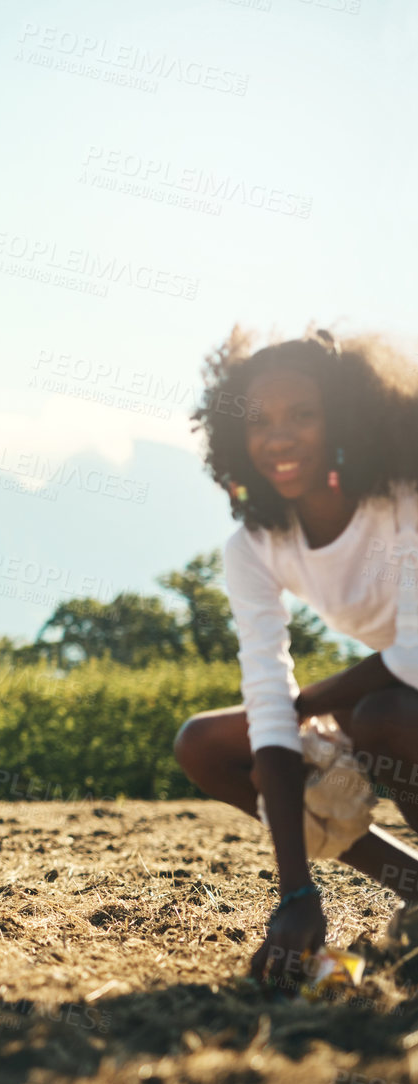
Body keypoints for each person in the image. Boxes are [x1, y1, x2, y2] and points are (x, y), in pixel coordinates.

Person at [173, 328, 418, 984]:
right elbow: (265, 694)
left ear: (343, 418)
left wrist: (302, 703)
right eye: (258, 422)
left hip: (402, 698)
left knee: (381, 714)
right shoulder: (253, 544)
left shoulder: (402, 496)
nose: (277, 437)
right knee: (204, 742)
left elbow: (411, 661)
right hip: (393, 697)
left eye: (301, 415)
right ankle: (414, 885)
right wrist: (295, 895)